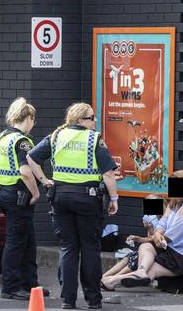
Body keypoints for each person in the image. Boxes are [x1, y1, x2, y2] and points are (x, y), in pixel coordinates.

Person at [27, 102, 119, 310]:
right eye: (92, 117)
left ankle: (68, 300)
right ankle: (93, 300)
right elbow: (108, 174)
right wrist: (114, 199)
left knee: (68, 248)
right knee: (90, 248)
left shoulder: (57, 136)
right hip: (88, 199)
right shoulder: (94, 139)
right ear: (80, 120)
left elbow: (31, 157)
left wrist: (44, 180)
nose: (95, 121)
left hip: (60, 198)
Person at [101, 170, 183, 294]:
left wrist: (157, 236)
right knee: (146, 249)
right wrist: (157, 233)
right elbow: (162, 224)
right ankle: (139, 272)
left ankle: (113, 280)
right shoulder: (174, 202)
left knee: (149, 258)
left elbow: (172, 234)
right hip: (177, 249)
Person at [0, 97, 50, 301]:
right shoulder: (22, 141)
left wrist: (43, 180)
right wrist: (36, 192)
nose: (33, 124)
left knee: (27, 241)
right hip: (18, 195)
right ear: (27, 118)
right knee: (16, 243)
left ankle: (30, 284)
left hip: (4, 192)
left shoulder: (2, 137)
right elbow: (26, 172)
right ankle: (10, 287)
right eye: (33, 120)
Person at [101, 195, 165, 284]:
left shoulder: (163, 220)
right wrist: (138, 237)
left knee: (134, 259)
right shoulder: (149, 218)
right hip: (151, 249)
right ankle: (104, 276)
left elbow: (156, 240)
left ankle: (112, 279)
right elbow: (150, 238)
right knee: (127, 258)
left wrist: (149, 230)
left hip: (159, 251)